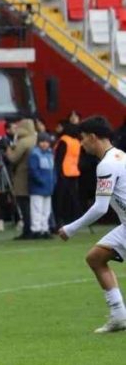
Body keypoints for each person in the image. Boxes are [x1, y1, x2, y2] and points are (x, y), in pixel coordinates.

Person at [57, 116, 126, 333]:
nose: (81, 143)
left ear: (93, 137)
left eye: (83, 138)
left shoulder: (107, 165)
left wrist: (70, 228)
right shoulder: (120, 156)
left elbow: (100, 208)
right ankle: (119, 316)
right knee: (95, 258)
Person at [6, 118, 37, 239]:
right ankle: (38, 228)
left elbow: (13, 158)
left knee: (24, 205)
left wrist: (8, 149)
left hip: (22, 175)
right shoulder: (36, 139)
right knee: (36, 206)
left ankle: (27, 230)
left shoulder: (23, 142)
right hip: (36, 177)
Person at [29, 132, 56, 240]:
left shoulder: (50, 154)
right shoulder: (35, 154)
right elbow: (33, 170)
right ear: (38, 142)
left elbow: (53, 170)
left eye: (46, 142)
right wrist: (40, 181)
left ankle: (45, 229)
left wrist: (54, 181)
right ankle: (36, 230)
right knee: (37, 209)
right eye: (42, 142)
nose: (44, 144)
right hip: (37, 187)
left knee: (46, 210)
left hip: (48, 187)